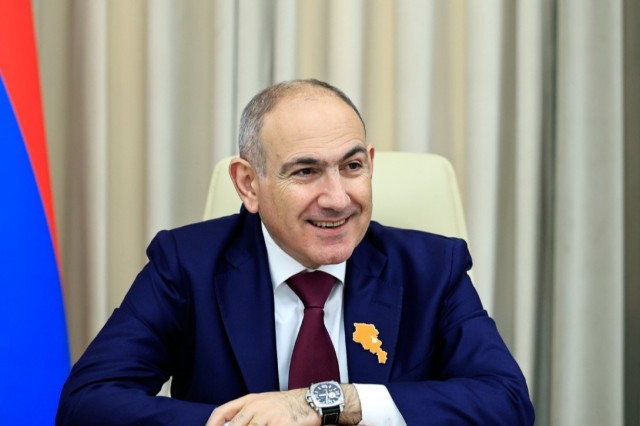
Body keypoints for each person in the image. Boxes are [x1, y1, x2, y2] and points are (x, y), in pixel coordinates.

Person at [56, 79, 535, 425]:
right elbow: (88, 402)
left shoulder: (431, 269)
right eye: (306, 172)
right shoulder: (187, 265)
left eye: (351, 166)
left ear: (370, 164)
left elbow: (507, 402)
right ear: (249, 184)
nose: (338, 198)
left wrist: (331, 402)